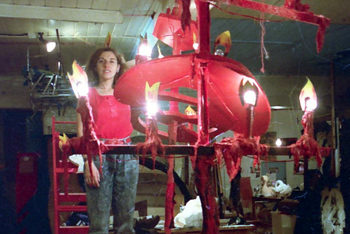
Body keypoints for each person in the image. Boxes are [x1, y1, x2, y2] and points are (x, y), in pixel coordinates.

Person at [76, 47, 139, 234]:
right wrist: (87, 162)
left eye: (112, 61)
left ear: (118, 67)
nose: (107, 65)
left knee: (126, 217)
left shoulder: (127, 94)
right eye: (102, 60)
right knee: (98, 216)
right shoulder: (86, 95)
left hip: (126, 154)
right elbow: (81, 130)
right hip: (97, 155)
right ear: (95, 66)